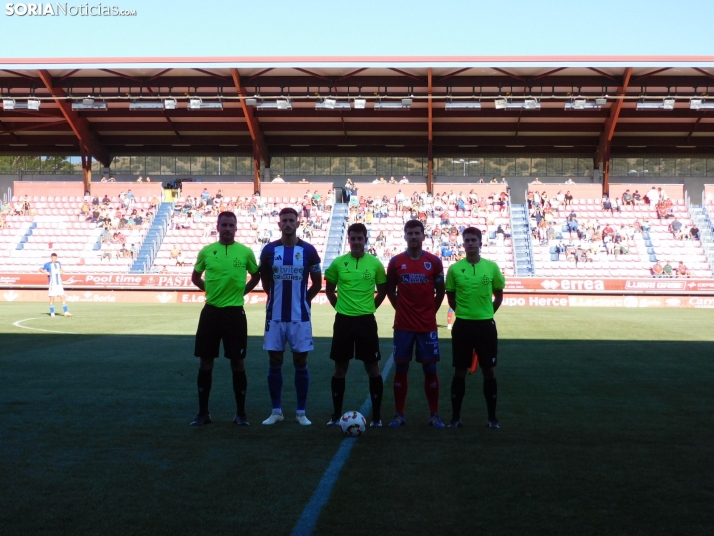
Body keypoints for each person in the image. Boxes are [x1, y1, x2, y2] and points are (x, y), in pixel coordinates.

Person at [189, 211, 261, 426]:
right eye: (224, 225)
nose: (228, 228)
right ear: (217, 227)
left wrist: (242, 292)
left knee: (238, 363)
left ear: (236, 228)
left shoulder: (246, 252)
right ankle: (203, 413)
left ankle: (241, 414)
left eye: (231, 225)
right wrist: (209, 290)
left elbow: (256, 275)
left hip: (235, 313)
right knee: (206, 361)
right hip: (210, 312)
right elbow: (195, 277)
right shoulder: (207, 252)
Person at [258, 208, 322, 426]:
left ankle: (301, 412)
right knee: (275, 361)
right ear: (279, 224)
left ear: (298, 223)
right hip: (274, 317)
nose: (287, 223)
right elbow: (266, 282)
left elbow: (317, 283)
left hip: (300, 317)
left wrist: (303, 301)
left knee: (300, 361)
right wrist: (275, 299)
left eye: (291, 220)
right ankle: (276, 411)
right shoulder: (268, 250)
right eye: (284, 220)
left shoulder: (309, 251)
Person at [325, 223, 387, 427]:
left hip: (366, 321)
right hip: (343, 321)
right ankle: (335, 415)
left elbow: (382, 291)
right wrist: (341, 308)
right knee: (339, 368)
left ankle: (376, 417)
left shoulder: (375, 264)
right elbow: (329, 290)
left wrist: (369, 308)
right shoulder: (337, 263)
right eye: (353, 238)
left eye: (360, 238)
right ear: (348, 240)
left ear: (365, 239)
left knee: (373, 367)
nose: (356, 242)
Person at [385, 220, 446, 428]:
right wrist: (400, 309)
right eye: (409, 233)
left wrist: (431, 312)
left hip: (426, 326)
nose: (413, 236)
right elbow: (390, 292)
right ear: (404, 236)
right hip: (403, 326)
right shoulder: (395, 263)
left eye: (417, 233)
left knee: (430, 369)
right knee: (401, 367)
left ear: (423, 236)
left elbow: (441, 292)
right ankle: (399, 414)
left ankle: (434, 415)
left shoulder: (434, 262)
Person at [445, 227, 505, 429]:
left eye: (474, 240)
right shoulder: (454, 269)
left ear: (480, 242)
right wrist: (464, 312)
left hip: (485, 326)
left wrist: (487, 312)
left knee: (489, 371)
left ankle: (492, 418)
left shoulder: (492, 267)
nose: (470, 243)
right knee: (459, 371)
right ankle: (455, 417)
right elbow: (451, 298)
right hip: (462, 325)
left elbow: (499, 295)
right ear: (463, 243)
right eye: (467, 240)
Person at [40, 253, 73, 317]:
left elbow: (61, 269)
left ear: (56, 258)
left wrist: (62, 271)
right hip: (52, 284)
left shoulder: (58, 263)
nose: (54, 259)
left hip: (59, 284)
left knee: (62, 297)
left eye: (55, 258)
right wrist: (45, 272)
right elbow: (40, 269)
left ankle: (66, 312)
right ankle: (52, 313)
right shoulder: (47, 264)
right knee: (52, 298)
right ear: (51, 258)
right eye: (53, 258)